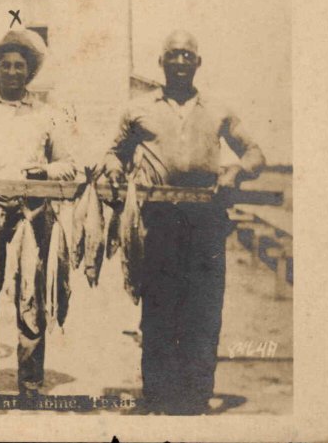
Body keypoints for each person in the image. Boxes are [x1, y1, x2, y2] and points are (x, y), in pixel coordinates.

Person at [101, 30, 266, 415]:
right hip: (157, 220)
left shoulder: (219, 109)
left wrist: (236, 173)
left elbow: (256, 152)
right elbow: (114, 154)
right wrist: (112, 169)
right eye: (172, 55)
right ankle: (157, 396)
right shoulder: (137, 109)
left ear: (197, 63)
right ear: (161, 62)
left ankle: (194, 398)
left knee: (203, 310)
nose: (179, 62)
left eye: (186, 55)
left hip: (206, 220)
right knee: (158, 309)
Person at [0, 29, 77, 399]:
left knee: (30, 296)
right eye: (6, 66)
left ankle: (30, 384)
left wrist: (44, 172)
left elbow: (68, 163)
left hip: (34, 215)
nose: (13, 72)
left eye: (19, 66)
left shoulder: (50, 115)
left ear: (29, 73)